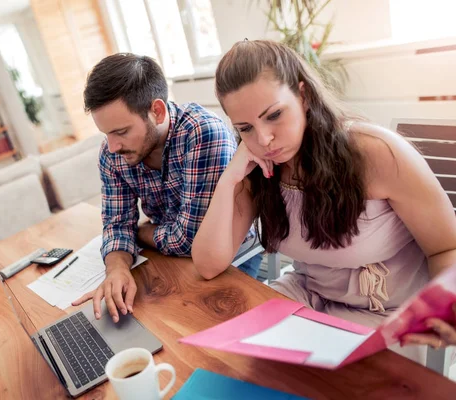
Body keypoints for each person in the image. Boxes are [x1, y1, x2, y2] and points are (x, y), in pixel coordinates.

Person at [192, 40, 456, 361]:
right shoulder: (256, 168)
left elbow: (446, 247)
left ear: (303, 96)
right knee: (234, 366)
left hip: (386, 313)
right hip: (309, 295)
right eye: (245, 128)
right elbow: (207, 265)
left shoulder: (374, 153)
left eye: (274, 115)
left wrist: (444, 305)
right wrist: (230, 177)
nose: (263, 139)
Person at [72, 53, 263, 322]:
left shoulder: (203, 133)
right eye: (106, 134)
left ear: (157, 111)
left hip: (232, 258)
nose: (112, 146)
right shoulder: (112, 152)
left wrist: (138, 232)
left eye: (121, 131)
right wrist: (116, 268)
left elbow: (189, 241)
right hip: (167, 257)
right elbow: (117, 225)